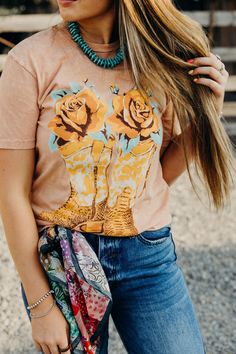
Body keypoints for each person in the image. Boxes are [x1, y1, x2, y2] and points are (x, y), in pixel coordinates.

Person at [0, 0, 234, 353]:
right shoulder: (29, 61)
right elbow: (11, 192)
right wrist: (41, 304)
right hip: (64, 263)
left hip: (147, 258)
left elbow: (157, 176)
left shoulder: (159, 61)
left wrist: (206, 115)